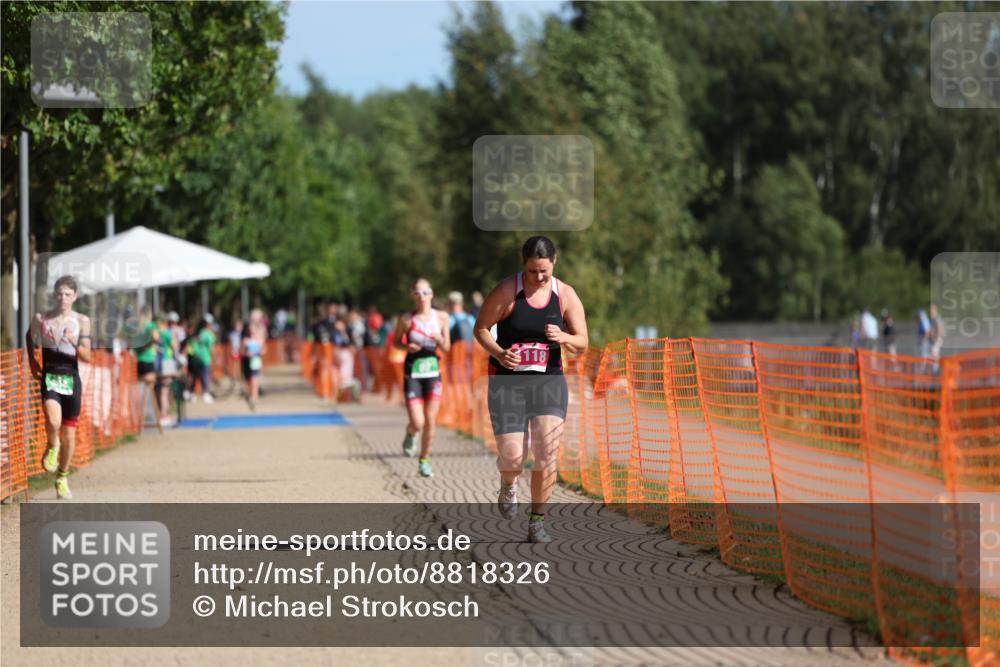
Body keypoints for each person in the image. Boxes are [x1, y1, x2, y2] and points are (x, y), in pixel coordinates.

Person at [473, 236, 589, 543]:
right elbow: (481, 328)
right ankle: (509, 484)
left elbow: (583, 342)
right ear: (523, 264)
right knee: (513, 458)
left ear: (555, 262)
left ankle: (537, 521)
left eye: (544, 272)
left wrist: (564, 337)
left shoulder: (564, 294)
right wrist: (499, 352)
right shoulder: (508, 291)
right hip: (507, 384)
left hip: (548, 383)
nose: (538, 277)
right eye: (532, 271)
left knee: (547, 453)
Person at [26, 275, 92, 500]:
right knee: (53, 421)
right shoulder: (41, 318)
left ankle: (62, 477)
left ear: (75, 297)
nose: (63, 298)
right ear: (54, 295)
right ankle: (51, 445)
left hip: (71, 378)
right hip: (50, 376)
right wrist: (33, 361)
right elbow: (29, 336)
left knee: (69, 435)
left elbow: (87, 356)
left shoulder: (82, 321)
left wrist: (74, 342)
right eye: (60, 294)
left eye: (67, 294)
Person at [394, 278, 451, 477]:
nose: (422, 296)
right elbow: (396, 343)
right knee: (417, 422)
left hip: (433, 373)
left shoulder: (442, 317)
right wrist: (406, 346)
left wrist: (440, 339)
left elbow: (446, 348)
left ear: (432, 294)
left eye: (426, 292)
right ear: (413, 296)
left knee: (430, 421)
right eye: (418, 293)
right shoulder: (406, 319)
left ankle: (424, 460)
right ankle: (411, 433)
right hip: (413, 373)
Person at [241, 309, 267, 410]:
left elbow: (262, 344)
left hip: (255, 357)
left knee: (255, 376)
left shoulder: (261, 329)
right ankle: (252, 393)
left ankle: (254, 394)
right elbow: (244, 342)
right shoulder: (249, 328)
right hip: (248, 356)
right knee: (249, 376)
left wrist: (259, 350)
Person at [186, 318, 216, 403]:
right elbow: (211, 348)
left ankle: (192, 394)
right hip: (205, 359)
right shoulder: (208, 334)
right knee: (205, 376)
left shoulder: (198, 333)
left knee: (195, 377)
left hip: (196, 358)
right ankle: (205, 393)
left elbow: (192, 344)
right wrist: (215, 358)